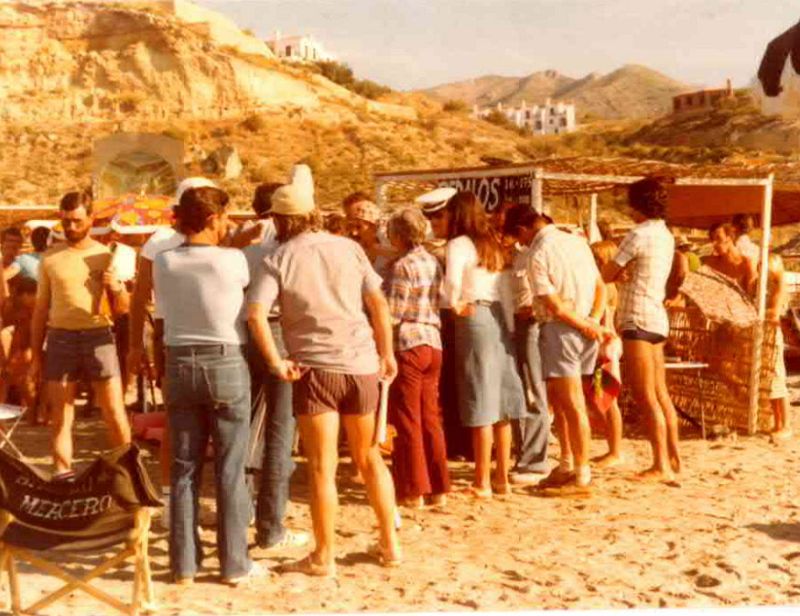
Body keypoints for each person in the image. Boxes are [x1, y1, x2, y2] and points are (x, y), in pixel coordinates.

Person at [248, 180, 401, 576]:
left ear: (280, 220)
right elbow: (378, 303)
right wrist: (386, 352)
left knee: (322, 466)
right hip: (362, 363)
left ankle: (324, 555)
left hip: (316, 368)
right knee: (370, 460)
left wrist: (276, 361)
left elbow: (255, 315)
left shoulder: (278, 258)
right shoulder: (349, 248)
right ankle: (390, 544)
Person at [154, 185, 261, 585]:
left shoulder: (165, 262)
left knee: (184, 470)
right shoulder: (232, 259)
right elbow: (234, 275)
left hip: (180, 359)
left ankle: (184, 564)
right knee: (231, 469)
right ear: (215, 218)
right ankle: (234, 564)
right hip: (224, 358)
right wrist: (236, 238)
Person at [127, 176, 217, 525]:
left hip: (171, 331)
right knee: (194, 420)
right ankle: (178, 498)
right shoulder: (189, 240)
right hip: (202, 332)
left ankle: (172, 500)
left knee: (177, 419)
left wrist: (136, 345)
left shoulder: (158, 243)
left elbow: (139, 298)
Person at [30, 191, 131, 479]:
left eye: (76, 221)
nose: (71, 228)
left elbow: (123, 310)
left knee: (113, 412)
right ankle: (63, 479)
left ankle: (128, 478)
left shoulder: (105, 254)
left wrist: (116, 287)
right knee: (61, 416)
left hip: (99, 336)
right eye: (66, 222)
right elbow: (40, 311)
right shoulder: (50, 258)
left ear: (91, 218)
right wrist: (36, 356)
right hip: (60, 338)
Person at [241, 179, 310, 552]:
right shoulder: (289, 251)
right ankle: (271, 525)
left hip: (245, 336)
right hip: (280, 333)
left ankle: (245, 508)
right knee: (281, 432)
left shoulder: (245, 247)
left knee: (248, 426)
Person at [443, 191, 525, 497]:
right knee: (502, 400)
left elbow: (452, 281)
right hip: (499, 318)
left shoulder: (459, 244)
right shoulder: (491, 243)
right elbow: (504, 290)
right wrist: (511, 326)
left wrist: (454, 304)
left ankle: (482, 480)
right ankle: (500, 476)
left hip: (474, 314)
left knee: (479, 395)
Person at [603, 176, 681, 481]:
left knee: (645, 395)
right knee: (661, 392)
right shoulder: (665, 234)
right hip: (656, 315)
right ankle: (673, 457)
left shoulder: (637, 234)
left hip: (636, 315)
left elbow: (608, 272)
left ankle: (660, 464)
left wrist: (617, 274)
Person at [385, 208, 450, 508]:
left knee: (408, 418)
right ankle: (439, 486)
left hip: (409, 341)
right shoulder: (433, 261)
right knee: (430, 417)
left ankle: (413, 488)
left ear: (399, 235)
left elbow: (395, 313)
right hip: (433, 340)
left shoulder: (402, 265)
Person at [502, 205, 551, 485]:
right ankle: (525, 454)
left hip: (530, 325)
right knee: (521, 391)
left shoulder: (534, 256)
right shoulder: (515, 258)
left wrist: (531, 310)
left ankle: (535, 461)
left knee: (534, 392)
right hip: (515, 327)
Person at [589, 240, 624, 467]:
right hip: (606, 345)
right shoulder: (609, 286)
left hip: (606, 347)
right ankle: (612, 447)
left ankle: (615, 450)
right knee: (601, 396)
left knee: (608, 398)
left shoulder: (603, 285)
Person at [766, 253, 792, 441]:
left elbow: (774, 312)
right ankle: (777, 422)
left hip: (773, 335)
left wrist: (758, 311)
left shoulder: (779, 287)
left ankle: (786, 425)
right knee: (770, 382)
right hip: (766, 334)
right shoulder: (766, 287)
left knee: (778, 380)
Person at [703, 222, 758, 295]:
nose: (714, 243)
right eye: (712, 240)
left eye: (718, 238)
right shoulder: (712, 263)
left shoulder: (746, 263)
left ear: (729, 238)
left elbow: (751, 295)